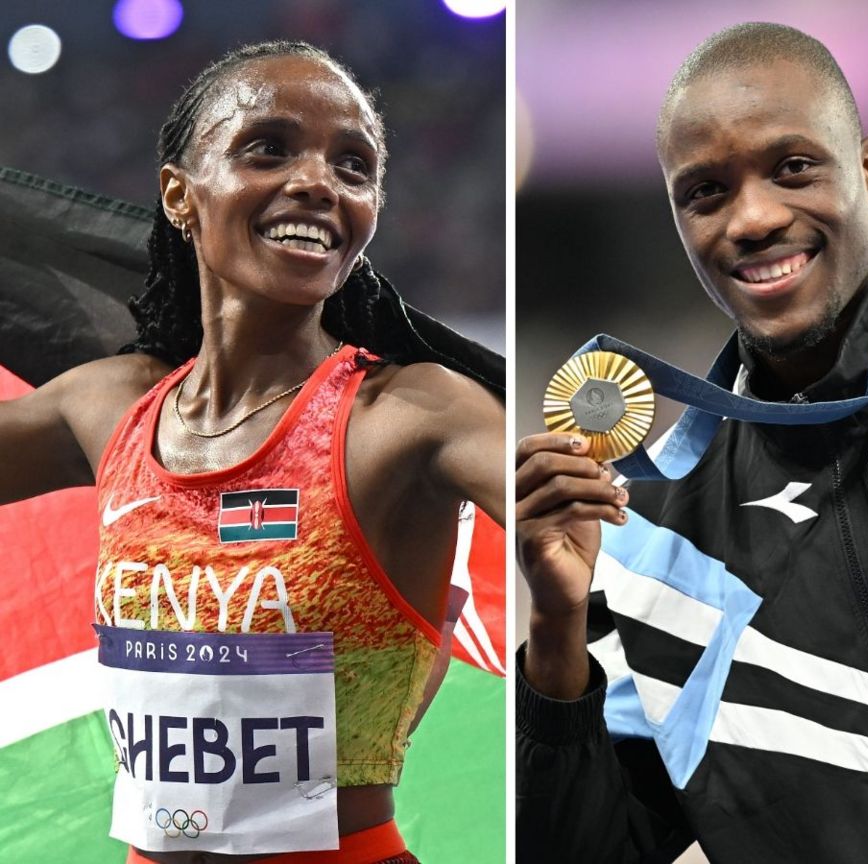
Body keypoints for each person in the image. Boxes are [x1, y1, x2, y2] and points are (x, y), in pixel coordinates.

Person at [515, 22, 868, 864]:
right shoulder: (647, 552)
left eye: (792, 167)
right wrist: (558, 625)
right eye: (706, 192)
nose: (751, 218)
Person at [0, 41, 505, 864]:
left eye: (353, 166)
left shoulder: (410, 415)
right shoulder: (111, 407)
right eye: (267, 147)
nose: (318, 181)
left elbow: (583, 521)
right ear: (179, 195)